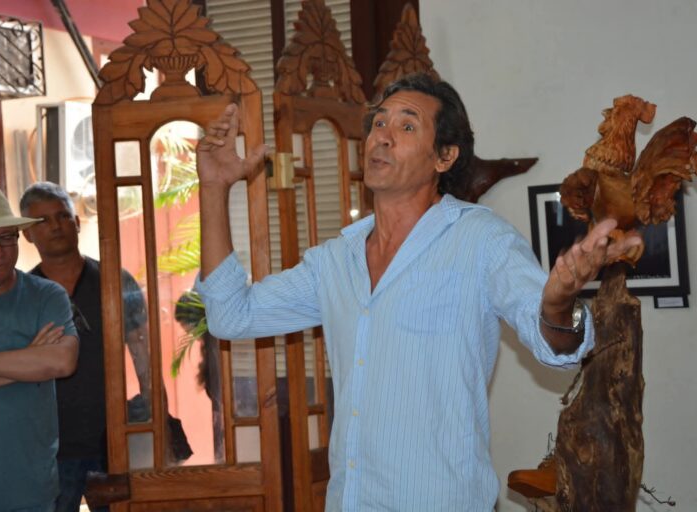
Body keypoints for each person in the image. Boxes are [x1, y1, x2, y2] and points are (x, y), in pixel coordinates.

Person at [194, 74, 642, 511]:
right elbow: (231, 315)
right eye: (379, 122)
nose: (383, 137)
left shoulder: (480, 240)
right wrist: (213, 189)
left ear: (444, 157)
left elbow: (554, 344)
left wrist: (558, 303)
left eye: (407, 126)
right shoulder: (335, 260)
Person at [19, 182, 151, 512]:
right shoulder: (24, 294)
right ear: (27, 235)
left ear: (77, 222)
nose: (56, 226)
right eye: (43, 221)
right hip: (50, 442)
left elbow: (142, 350)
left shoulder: (114, 280)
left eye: (63, 216)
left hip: (111, 437)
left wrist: (155, 408)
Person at [0, 182, 78, 512]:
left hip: (30, 488)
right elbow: (46, 364)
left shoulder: (46, 295)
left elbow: (61, 362)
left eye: (7, 237)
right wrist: (30, 362)